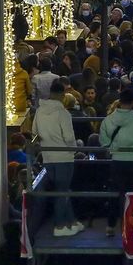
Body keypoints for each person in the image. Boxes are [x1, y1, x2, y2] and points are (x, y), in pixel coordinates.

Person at [34, 80, 82, 236]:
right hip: (64, 156)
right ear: (62, 95)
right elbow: (69, 137)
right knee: (63, 191)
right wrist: (74, 148)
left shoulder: (39, 111)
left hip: (48, 156)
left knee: (60, 190)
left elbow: (35, 131)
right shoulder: (63, 113)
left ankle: (72, 221)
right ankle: (60, 226)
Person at [98, 88, 133, 190]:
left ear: (120, 101)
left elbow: (104, 142)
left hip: (117, 160)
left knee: (119, 193)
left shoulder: (107, 120)